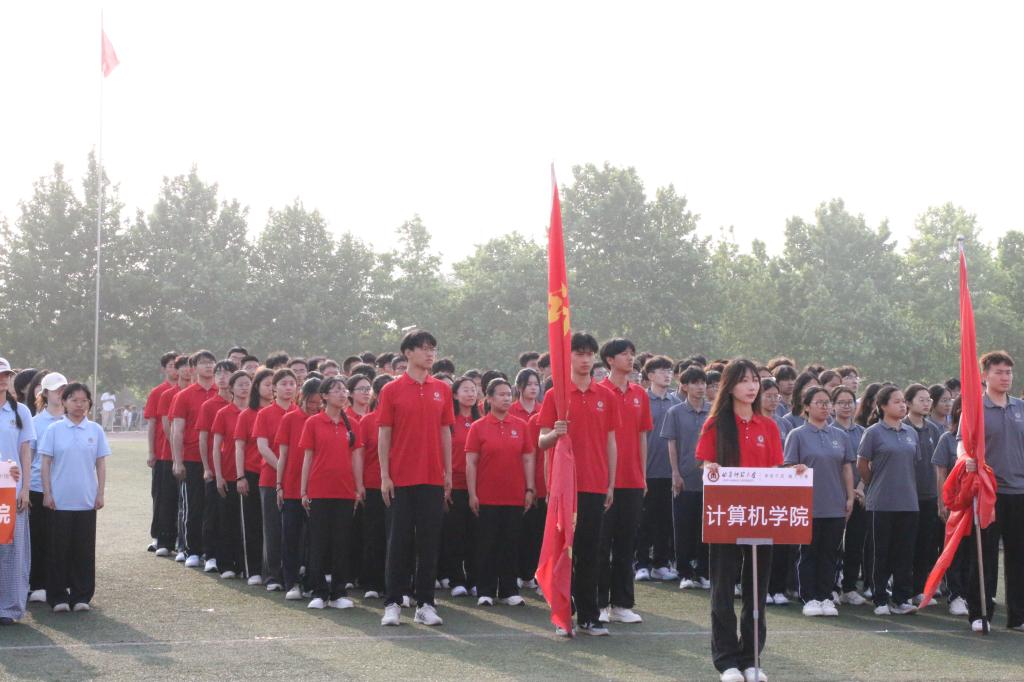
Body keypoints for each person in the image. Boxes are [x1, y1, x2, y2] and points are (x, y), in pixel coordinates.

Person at [695, 359, 782, 682]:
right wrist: (711, 469)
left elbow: (775, 471)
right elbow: (706, 464)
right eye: (744, 380)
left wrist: (795, 472)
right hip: (726, 515)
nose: (752, 386)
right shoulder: (716, 425)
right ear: (729, 386)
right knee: (722, 588)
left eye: (755, 380)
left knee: (756, 590)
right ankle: (727, 660)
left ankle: (751, 658)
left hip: (761, 516)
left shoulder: (768, 426)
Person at [539, 332, 619, 636]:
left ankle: (588, 615)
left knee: (590, 552)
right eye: (579, 353)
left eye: (589, 354)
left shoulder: (605, 396)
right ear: (567, 357)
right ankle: (563, 614)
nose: (585, 360)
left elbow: (610, 442)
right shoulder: (556, 396)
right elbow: (542, 441)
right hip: (564, 487)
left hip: (595, 484)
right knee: (563, 552)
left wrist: (610, 483)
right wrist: (556, 433)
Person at [378, 330, 455, 627]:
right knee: (397, 543)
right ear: (408, 352)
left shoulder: (442, 390)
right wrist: (385, 475)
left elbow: (445, 432)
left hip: (432, 478)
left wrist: (447, 472)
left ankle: (425, 604)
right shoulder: (391, 390)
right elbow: (384, 433)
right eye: (424, 348)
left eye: (433, 348)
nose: (430, 353)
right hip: (400, 477)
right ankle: (393, 603)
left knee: (429, 543)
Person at [783, 387, 855, 618]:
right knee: (808, 553)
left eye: (827, 402)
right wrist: (795, 469)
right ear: (806, 407)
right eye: (819, 402)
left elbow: (846, 467)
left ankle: (825, 596)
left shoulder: (840, 436)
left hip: (835, 503)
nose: (825, 407)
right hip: (808, 505)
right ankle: (809, 597)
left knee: (830, 554)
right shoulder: (797, 435)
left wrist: (850, 496)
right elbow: (788, 466)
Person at [965, 351, 1024, 632]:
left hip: (1019, 491)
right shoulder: (975, 408)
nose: (1005, 377)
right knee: (984, 555)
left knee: (1019, 555)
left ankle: (1018, 615)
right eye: (999, 372)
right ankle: (979, 614)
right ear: (985, 375)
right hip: (988, 492)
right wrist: (966, 459)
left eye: (1008, 372)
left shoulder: (1020, 408)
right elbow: (962, 442)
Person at [39, 383, 110, 612]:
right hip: (59, 502)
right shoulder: (54, 430)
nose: (79, 405)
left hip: (86, 501)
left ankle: (81, 596)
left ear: (90, 403)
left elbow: (100, 463)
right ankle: (58, 597)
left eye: (84, 401)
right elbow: (45, 463)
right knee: (58, 551)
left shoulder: (95, 430)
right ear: (64, 402)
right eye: (74, 400)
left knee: (84, 551)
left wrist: (100, 493)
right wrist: (47, 493)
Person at [596, 338, 651, 625]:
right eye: (624, 354)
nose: (630, 358)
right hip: (602, 480)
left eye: (632, 353)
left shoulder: (639, 394)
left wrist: (642, 475)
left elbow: (642, 436)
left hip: (632, 479)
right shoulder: (598, 392)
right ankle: (599, 603)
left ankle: (622, 603)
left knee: (626, 544)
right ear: (609, 360)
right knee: (600, 544)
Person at [466, 378, 534, 606]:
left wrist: (529, 488)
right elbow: (471, 462)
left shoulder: (521, 426)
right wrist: (472, 493)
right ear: (489, 398)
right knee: (486, 544)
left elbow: (527, 458)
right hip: (486, 495)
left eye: (508, 395)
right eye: (501, 394)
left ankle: (508, 590)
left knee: (510, 543)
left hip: (514, 495)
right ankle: (485, 590)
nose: (506, 399)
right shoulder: (478, 427)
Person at [299, 376, 364, 610]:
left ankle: (338, 592)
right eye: (336, 390)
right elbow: (308, 457)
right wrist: (303, 490)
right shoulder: (313, 422)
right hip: (319, 490)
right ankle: (319, 591)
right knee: (318, 542)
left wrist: (358, 487)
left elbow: (356, 457)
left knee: (341, 543)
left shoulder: (353, 425)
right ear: (324, 396)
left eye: (344, 390)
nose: (342, 393)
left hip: (345, 491)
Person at [857, 385, 919, 616]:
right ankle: (880, 598)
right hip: (881, 502)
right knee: (880, 552)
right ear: (883, 406)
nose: (902, 405)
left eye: (904, 401)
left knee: (904, 553)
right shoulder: (873, 432)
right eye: (896, 401)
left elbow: (913, 464)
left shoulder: (911, 433)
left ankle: (901, 599)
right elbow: (862, 464)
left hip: (908, 502)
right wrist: (873, 484)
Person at [662, 365, 711, 590]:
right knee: (683, 527)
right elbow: (672, 444)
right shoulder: (675, 412)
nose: (700, 387)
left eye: (703, 383)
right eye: (695, 383)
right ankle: (685, 572)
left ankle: (703, 572)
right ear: (684, 386)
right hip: (684, 477)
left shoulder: (714, 412)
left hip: (710, 479)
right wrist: (675, 473)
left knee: (706, 527)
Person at [170, 350, 219, 567]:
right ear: (193, 368)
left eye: (211, 363)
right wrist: (177, 461)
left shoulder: (223, 393)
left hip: (217, 459)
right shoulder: (184, 395)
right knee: (193, 505)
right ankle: (192, 550)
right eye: (203, 363)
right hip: (191, 457)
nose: (208, 366)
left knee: (213, 508)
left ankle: (211, 552)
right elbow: (177, 430)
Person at [275, 376, 322, 600]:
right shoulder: (290, 419)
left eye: (318, 403)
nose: (314, 406)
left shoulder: (324, 419)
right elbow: (283, 455)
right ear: (301, 397)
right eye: (310, 402)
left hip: (319, 489)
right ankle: (291, 582)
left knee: (315, 539)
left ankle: (312, 582)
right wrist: (279, 485)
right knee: (291, 537)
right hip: (292, 487)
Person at [635, 356, 680, 582]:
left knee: (666, 520)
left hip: (670, 471)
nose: (667, 374)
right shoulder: (641, 399)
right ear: (650, 375)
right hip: (647, 469)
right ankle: (641, 563)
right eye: (662, 370)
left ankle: (660, 564)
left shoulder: (676, 402)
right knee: (644, 519)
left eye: (669, 370)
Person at [254, 369, 298, 593]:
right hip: (270, 478)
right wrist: (282, 466)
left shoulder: (300, 413)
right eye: (284, 384)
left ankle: (293, 574)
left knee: (294, 530)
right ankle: (272, 575)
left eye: (292, 383)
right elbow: (262, 447)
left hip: (297, 481)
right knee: (272, 528)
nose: (288, 388)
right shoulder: (265, 414)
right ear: (274, 388)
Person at [0, 357, 36, 625]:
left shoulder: (20, 411)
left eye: (6, 375)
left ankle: (9, 607)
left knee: (11, 548)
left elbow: (26, 451)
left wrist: (25, 489)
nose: (3, 379)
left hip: (10, 491)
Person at [28, 371, 68, 603]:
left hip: (66, 489)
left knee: (63, 538)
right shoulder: (34, 423)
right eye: (56, 389)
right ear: (45, 393)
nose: (60, 393)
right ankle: (39, 584)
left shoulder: (72, 420)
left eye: (63, 388)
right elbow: (29, 457)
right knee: (40, 537)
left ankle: (62, 583)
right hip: (37, 488)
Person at [903, 383, 942, 606]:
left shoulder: (934, 430)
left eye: (929, 400)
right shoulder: (903, 427)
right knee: (906, 544)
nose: (927, 404)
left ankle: (919, 589)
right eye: (921, 399)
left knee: (925, 545)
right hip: (907, 496)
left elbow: (938, 466)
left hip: (929, 495)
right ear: (908, 403)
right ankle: (903, 589)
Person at [195, 360, 236, 574]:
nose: (221, 377)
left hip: (237, 469)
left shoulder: (245, 405)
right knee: (213, 514)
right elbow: (204, 439)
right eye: (218, 373)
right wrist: (206, 467)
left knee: (231, 517)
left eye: (227, 373)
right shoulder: (209, 405)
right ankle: (210, 555)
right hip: (216, 468)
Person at [234, 367, 274, 584]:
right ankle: (253, 570)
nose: (271, 388)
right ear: (257, 387)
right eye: (267, 384)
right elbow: (239, 447)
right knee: (252, 523)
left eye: (274, 384)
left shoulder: (285, 412)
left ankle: (271, 569)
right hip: (252, 473)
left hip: (275, 474)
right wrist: (240, 476)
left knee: (272, 525)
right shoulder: (247, 415)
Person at [211, 370, 252, 579]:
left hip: (251, 473)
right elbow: (216, 447)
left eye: (247, 384)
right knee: (227, 520)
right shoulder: (223, 413)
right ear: (232, 388)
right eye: (240, 384)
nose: (244, 388)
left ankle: (245, 564)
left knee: (247, 523)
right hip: (228, 474)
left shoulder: (257, 412)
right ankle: (226, 564)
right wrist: (218, 476)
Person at [931, 396, 970, 616]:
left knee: (975, 552)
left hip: (978, 505)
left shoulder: (986, 439)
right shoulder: (948, 439)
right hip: (956, 505)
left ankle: (972, 593)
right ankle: (956, 595)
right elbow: (941, 473)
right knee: (956, 551)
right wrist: (942, 503)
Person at [441, 376, 479, 598]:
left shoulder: (480, 421)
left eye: (473, 389)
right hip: (453, 484)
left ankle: (474, 579)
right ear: (455, 395)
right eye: (465, 390)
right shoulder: (449, 421)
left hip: (478, 486)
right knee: (455, 534)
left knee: (476, 535)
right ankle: (457, 579)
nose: (470, 394)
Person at [356, 375, 393, 600]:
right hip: (372, 484)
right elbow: (359, 455)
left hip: (399, 485)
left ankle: (394, 583)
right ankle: (372, 582)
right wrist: (359, 483)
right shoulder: (367, 421)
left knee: (396, 536)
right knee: (373, 534)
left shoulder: (402, 418)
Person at [831, 385, 869, 606]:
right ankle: (832, 586)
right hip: (836, 496)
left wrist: (860, 488)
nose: (846, 407)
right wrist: (846, 492)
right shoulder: (828, 430)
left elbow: (869, 463)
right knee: (834, 544)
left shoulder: (863, 432)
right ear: (833, 406)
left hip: (860, 494)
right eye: (841, 403)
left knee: (856, 543)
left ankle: (849, 587)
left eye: (850, 402)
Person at [153, 354, 188, 557]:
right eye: (178, 366)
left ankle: (184, 542)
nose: (184, 370)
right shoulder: (168, 394)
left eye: (187, 366)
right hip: (169, 454)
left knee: (187, 502)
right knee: (168, 498)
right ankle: (164, 540)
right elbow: (167, 426)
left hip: (193, 456)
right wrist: (177, 451)